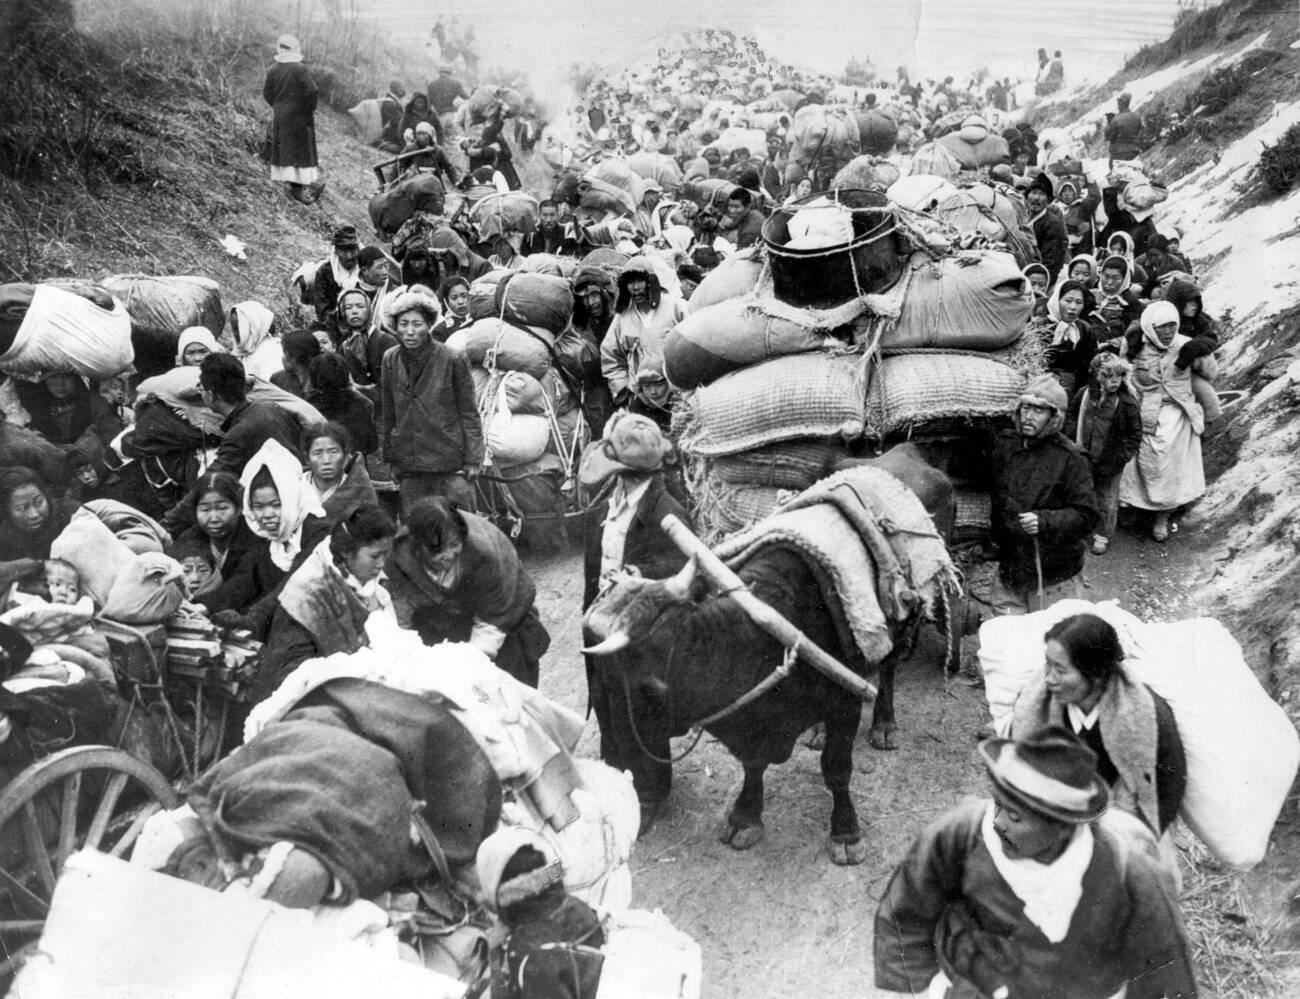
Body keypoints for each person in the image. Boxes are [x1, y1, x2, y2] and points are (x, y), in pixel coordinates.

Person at [873, 725, 1198, 999]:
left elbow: (1168, 975)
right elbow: (905, 911)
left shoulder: (1131, 876)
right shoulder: (962, 834)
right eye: (998, 804)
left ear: (1062, 826)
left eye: (1015, 816)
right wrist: (928, 985)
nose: (998, 822)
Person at [579, 413, 689, 822]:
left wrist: (641, 576)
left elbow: (681, 571)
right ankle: (614, 773)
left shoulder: (667, 512)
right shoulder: (612, 500)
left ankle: (649, 793)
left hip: (642, 630)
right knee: (607, 701)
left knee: (640, 711)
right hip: (602, 619)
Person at [1011, 614, 1187, 839]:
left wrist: (1132, 842)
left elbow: (1166, 791)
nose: (1048, 679)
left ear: (1094, 674)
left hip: (1125, 823)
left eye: (1061, 670)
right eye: (1048, 665)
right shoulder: (1036, 705)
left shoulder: (1147, 716)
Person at [387, 497, 550, 687]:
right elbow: (402, 616)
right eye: (436, 550)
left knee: (508, 694)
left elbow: (493, 620)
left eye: (454, 545)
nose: (447, 556)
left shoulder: (485, 552)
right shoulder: (400, 558)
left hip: (502, 626)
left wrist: (470, 667)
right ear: (417, 545)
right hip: (444, 631)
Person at [258, 504, 397, 705]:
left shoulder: (376, 589)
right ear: (348, 552)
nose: (382, 564)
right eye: (375, 556)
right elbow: (289, 674)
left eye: (386, 555)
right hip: (304, 702)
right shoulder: (308, 593)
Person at [989, 375, 1099, 615]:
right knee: (1008, 642)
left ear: (1054, 417)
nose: (1029, 416)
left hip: (1052, 576)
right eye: (1026, 408)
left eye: (1039, 410)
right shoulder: (1006, 445)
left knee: (1046, 642)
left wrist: (1044, 521)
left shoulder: (1072, 458)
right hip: (1010, 570)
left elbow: (1087, 515)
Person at [1119, 300, 1217, 542]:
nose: (1168, 332)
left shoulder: (1187, 345)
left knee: (1171, 466)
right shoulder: (1134, 345)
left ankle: (1164, 514)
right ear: (1150, 327)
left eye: (1172, 326)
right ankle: (1137, 508)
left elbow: (1209, 372)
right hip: (1145, 409)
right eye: (1162, 327)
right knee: (1139, 463)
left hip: (1178, 411)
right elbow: (1124, 372)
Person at [379, 289, 484, 514]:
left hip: (448, 462)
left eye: (417, 324)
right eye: (403, 324)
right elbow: (388, 412)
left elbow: (469, 412)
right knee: (416, 530)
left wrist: (473, 459)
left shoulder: (452, 359)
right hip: (410, 462)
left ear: (429, 325)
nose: (409, 331)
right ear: (395, 327)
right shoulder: (390, 359)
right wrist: (391, 458)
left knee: (460, 525)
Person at [1066, 353, 1142, 556]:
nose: (1114, 381)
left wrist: (1121, 458)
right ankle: (1081, 527)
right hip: (1082, 457)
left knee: (1106, 499)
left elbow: (1134, 435)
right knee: (1081, 493)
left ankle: (1102, 534)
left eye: (1118, 376)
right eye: (1108, 376)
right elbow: (1071, 417)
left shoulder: (1127, 403)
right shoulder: (1083, 395)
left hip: (1109, 461)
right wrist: (1072, 441)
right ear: (1096, 376)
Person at [599, 258, 687, 431]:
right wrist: (624, 390)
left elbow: (692, 347)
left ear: (651, 281)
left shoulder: (676, 308)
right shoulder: (622, 318)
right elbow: (610, 357)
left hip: (676, 395)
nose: (635, 287)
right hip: (641, 397)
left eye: (639, 281)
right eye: (630, 283)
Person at [262, 35, 321, 204]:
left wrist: (279, 106)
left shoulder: (273, 69)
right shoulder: (299, 68)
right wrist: (307, 109)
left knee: (286, 148)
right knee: (301, 151)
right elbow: (312, 91)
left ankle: (292, 184)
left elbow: (267, 93)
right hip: (299, 115)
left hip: (281, 115)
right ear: (295, 48)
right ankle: (299, 189)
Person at [0, 468, 79, 574]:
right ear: (7, 511)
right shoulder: (5, 539)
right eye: (21, 508)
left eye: (39, 502)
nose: (34, 514)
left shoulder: (71, 513)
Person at [300, 420, 378, 524]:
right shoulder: (295, 488)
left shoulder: (360, 490)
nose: (326, 460)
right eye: (317, 453)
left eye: (333, 452)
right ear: (307, 458)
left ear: (346, 456)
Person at [1041, 280, 1096, 395]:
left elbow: (1087, 366)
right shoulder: (1041, 327)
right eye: (1068, 301)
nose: (1073, 307)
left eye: (1078, 302)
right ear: (1057, 300)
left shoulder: (1084, 330)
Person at [313, 226, 362, 327]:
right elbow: (323, 312)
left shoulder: (366, 269)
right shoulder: (324, 273)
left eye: (353, 250)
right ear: (336, 251)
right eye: (344, 251)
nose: (349, 256)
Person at [1026, 172, 1068, 284]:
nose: (1036, 198)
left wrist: (1042, 284)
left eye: (1041, 194)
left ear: (1048, 200)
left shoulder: (1053, 224)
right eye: (1033, 193)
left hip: (1040, 280)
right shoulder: (1021, 218)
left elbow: (1052, 263)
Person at [229, 300, 282, 381]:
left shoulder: (271, 352)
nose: (235, 333)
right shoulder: (241, 352)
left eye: (238, 328)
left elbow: (268, 387)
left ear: (253, 327)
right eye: (233, 328)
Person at [270, 329, 322, 399]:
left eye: (285, 353)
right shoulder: (278, 379)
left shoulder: (323, 378)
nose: (283, 358)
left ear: (293, 357)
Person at [427, 65, 469, 141]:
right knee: (455, 140)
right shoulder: (456, 84)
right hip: (452, 115)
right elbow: (466, 97)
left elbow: (428, 103)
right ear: (450, 73)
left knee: (441, 140)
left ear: (439, 73)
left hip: (439, 116)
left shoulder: (432, 85)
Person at [1105, 93, 1144, 166]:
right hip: (1133, 152)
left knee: (1114, 173)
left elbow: (1108, 136)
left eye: (1119, 102)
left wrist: (1109, 123)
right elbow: (1141, 133)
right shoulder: (1137, 117)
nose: (1118, 104)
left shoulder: (1116, 119)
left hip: (1118, 154)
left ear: (1121, 103)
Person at [432, 276, 473, 341]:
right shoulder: (441, 330)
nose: (460, 302)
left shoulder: (479, 320)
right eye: (454, 298)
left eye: (464, 296)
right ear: (446, 302)